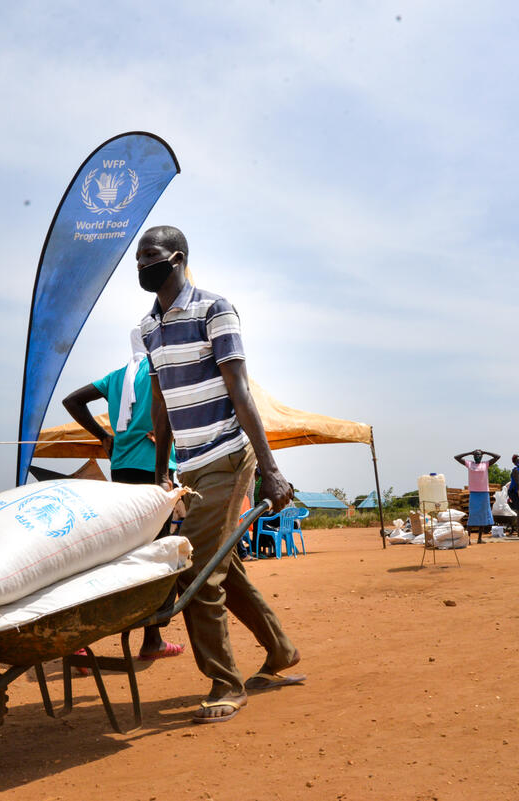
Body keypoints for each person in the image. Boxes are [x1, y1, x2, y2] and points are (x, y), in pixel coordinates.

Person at [136, 224, 303, 724]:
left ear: (178, 258)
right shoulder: (148, 328)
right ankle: (280, 650)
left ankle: (226, 683)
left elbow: (239, 389)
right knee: (222, 568)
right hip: (189, 466)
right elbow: (163, 400)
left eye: (153, 257)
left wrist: (270, 468)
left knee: (195, 570)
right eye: (139, 261)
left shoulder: (214, 309)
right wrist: (160, 469)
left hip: (230, 457)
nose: (144, 267)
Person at [62, 326, 184, 661]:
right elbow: (169, 420)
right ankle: (151, 639)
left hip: (122, 470)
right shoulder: (160, 372)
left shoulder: (117, 377)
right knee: (154, 556)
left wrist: (104, 436)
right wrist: (165, 471)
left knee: (120, 553)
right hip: (154, 473)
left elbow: (71, 400)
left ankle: (78, 636)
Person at [453, 449, 499, 543]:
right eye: (475, 455)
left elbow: (497, 457)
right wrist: (469, 452)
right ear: (473, 456)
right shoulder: (470, 464)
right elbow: (456, 457)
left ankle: (479, 538)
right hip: (474, 493)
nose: (477, 456)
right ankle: (468, 538)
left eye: (479, 455)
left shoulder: (485, 464)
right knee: (472, 515)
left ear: (482, 456)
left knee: (482, 516)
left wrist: (485, 452)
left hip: (484, 492)